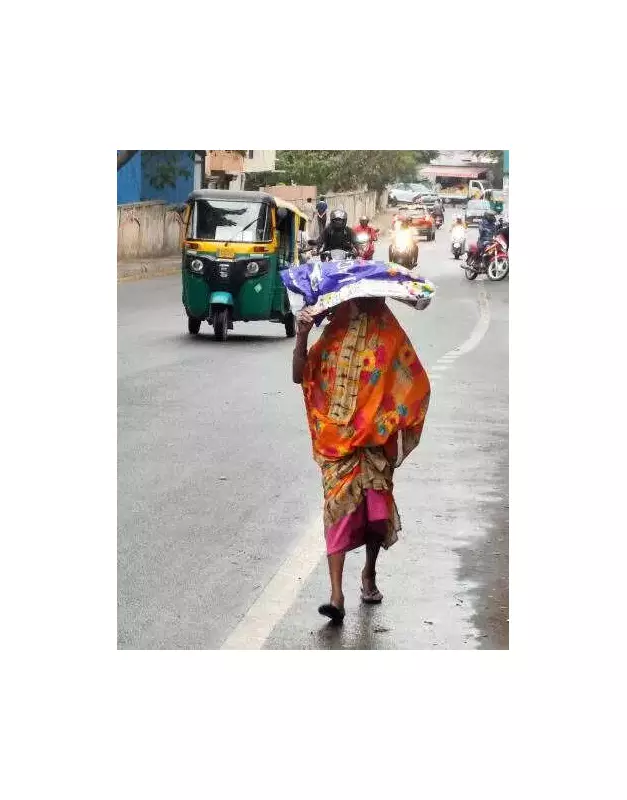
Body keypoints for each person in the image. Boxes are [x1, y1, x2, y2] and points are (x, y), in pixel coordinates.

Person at [292, 297, 431, 624]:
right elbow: (301, 375)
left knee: (376, 515)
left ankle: (369, 574)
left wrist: (388, 421)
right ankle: (336, 595)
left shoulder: (390, 336)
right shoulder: (332, 336)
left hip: (374, 447)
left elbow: (415, 382)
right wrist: (301, 335)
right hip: (336, 444)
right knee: (337, 511)